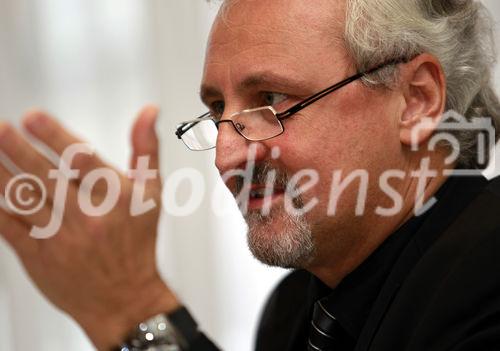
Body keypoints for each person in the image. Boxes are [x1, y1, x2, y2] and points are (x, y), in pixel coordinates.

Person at [1, 0, 500, 350]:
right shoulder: (293, 313)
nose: (225, 157)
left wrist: (136, 311)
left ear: (416, 100)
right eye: (218, 108)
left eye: (272, 100)